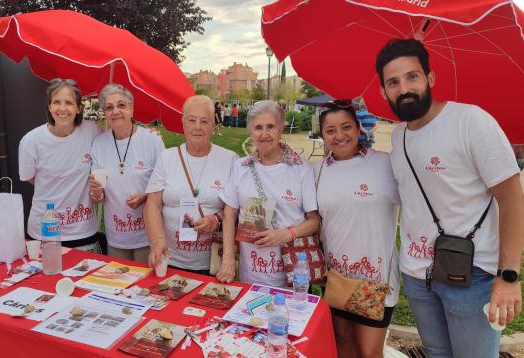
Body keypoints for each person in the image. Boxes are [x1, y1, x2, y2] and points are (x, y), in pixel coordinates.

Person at [377, 39, 524, 357]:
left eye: (412, 76)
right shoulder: (399, 135)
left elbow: (511, 196)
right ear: (383, 92)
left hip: (472, 275)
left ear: (430, 78)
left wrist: (509, 275)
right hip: (417, 275)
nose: (404, 88)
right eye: (393, 82)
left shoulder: (471, 122)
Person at [316, 99, 400, 358]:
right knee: (342, 344)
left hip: (375, 282)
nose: (339, 136)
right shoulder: (317, 170)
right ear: (322, 135)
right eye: (330, 130)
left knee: (369, 351)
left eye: (346, 127)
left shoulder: (386, 164)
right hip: (336, 279)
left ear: (358, 128)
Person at [218, 100, 319, 286]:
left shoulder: (301, 167)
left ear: (281, 129)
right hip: (250, 275)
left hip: (292, 277)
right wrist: (228, 258)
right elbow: (229, 214)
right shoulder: (241, 166)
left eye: (271, 126)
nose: (264, 134)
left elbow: (314, 221)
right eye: (258, 127)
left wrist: (286, 234)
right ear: (250, 132)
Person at [144, 95, 237, 275]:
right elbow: (152, 204)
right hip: (169, 257)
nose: (197, 127)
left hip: (212, 264)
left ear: (213, 124)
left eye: (204, 121)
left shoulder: (230, 159)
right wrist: (157, 241)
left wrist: (216, 219)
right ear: (183, 122)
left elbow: (236, 209)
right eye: (191, 120)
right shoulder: (167, 158)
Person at [19, 78, 104, 252]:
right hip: (45, 232)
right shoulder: (31, 141)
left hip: (83, 232)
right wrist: (55, 183)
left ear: (79, 108)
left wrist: (143, 132)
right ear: (49, 107)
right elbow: (29, 177)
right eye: (56, 102)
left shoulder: (92, 131)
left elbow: (114, 143)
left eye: (69, 103)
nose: (62, 109)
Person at [89, 84, 165, 262]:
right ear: (105, 114)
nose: (115, 111)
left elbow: (165, 185)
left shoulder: (152, 140)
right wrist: (96, 192)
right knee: (118, 284)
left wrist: (145, 197)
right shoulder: (99, 144)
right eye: (109, 107)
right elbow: (97, 196)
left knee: (145, 285)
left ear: (132, 109)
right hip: (116, 236)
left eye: (121, 105)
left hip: (148, 234)